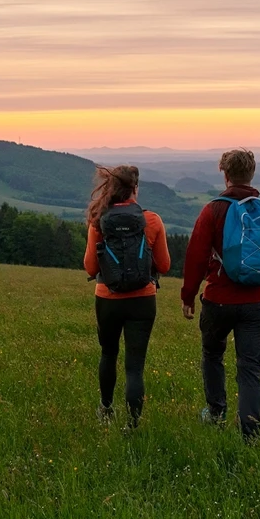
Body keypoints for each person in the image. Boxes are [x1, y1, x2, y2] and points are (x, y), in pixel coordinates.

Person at [181, 148, 260, 440]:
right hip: (257, 301)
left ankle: (216, 413)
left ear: (225, 174)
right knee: (250, 367)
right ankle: (250, 431)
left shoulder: (213, 210)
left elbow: (195, 256)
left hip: (218, 299)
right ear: (252, 173)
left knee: (212, 354)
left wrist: (188, 296)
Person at [83, 165, 172, 428]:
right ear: (135, 188)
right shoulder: (152, 220)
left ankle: (106, 409)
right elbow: (165, 266)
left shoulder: (99, 219)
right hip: (143, 300)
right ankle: (133, 424)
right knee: (135, 365)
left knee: (108, 354)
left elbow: (90, 267)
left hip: (107, 298)